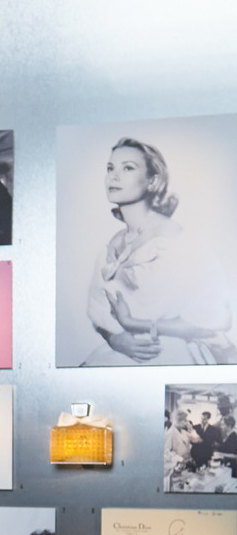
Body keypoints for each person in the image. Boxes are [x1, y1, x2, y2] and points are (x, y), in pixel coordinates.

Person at [83, 138, 235, 365]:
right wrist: (115, 339)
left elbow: (211, 320)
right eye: (110, 168)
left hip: (171, 354)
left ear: (152, 181)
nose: (114, 176)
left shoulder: (179, 242)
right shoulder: (110, 248)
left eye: (128, 168)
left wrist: (133, 323)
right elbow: (99, 314)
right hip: (123, 354)